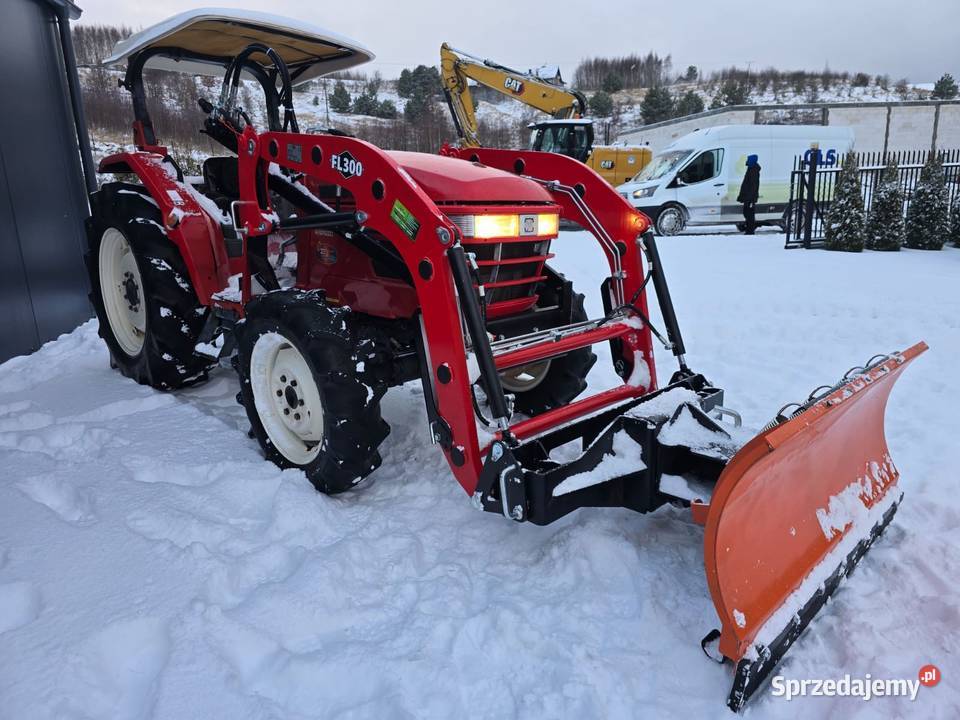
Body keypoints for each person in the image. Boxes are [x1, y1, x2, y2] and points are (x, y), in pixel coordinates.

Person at [737, 154, 761, 235]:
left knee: (749, 213)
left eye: (748, 159)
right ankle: (750, 227)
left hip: (750, 197)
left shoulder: (754, 170)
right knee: (747, 212)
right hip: (748, 196)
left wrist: (750, 199)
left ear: (752, 161)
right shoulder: (751, 168)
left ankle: (750, 230)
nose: (747, 161)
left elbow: (753, 186)